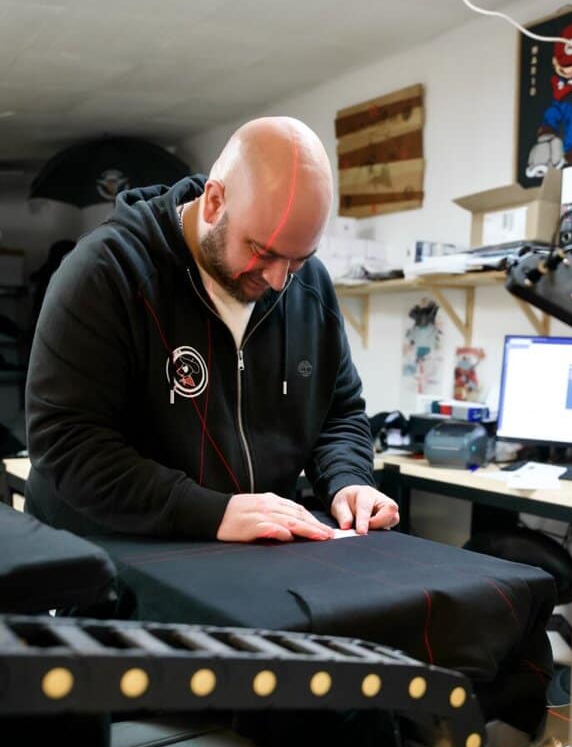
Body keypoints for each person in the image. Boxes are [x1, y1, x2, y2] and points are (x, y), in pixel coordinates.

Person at [25, 116, 399, 542]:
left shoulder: (309, 286)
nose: (280, 281)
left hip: (247, 555)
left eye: (297, 260)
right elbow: (66, 443)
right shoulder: (106, 273)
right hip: (111, 553)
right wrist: (210, 512)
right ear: (215, 201)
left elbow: (338, 410)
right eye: (261, 251)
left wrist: (348, 479)